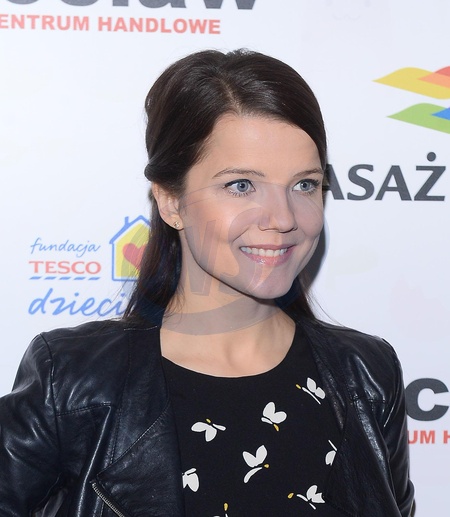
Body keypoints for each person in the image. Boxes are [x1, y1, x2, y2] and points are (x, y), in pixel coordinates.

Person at [0, 49, 413, 516]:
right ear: (170, 201)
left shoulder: (367, 374)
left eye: (304, 184)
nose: (282, 218)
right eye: (241, 185)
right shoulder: (74, 380)